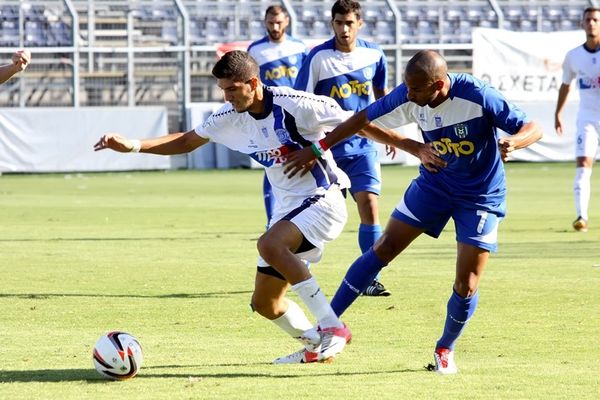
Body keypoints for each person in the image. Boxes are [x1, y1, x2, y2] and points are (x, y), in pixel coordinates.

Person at [284, 50, 543, 374]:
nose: (408, 95)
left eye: (416, 90)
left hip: (480, 196)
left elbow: (533, 127)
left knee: (467, 283)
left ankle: (445, 349)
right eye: (407, 87)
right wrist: (319, 148)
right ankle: (328, 330)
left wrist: (515, 142)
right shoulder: (411, 93)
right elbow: (362, 119)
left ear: (438, 85)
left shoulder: (479, 96)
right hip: (434, 186)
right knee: (384, 248)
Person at [94, 50, 361, 364]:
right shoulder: (228, 116)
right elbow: (186, 141)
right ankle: (316, 347)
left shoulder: (295, 103)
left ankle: (332, 326)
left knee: (269, 244)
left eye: (232, 89)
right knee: (265, 303)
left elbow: (359, 120)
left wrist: (411, 146)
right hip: (289, 209)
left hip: (324, 196)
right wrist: (134, 145)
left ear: (252, 83)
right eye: (223, 89)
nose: (226, 96)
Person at [294, 0, 392, 297]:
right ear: (332, 23)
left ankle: (368, 278)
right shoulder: (318, 57)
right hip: (327, 150)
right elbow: (300, 100)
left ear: (359, 23)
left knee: (370, 206)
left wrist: (387, 133)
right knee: (313, 211)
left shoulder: (374, 54)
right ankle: (299, 269)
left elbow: (381, 95)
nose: (344, 29)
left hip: (363, 146)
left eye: (349, 23)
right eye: (339, 23)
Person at [247, 4, 308, 228]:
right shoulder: (256, 50)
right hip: (271, 116)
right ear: (265, 22)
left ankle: (301, 213)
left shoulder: (299, 48)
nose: (275, 27)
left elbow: (306, 82)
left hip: (297, 114)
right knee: (273, 162)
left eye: (279, 22)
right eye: (271, 23)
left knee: (301, 160)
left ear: (287, 22)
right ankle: (272, 220)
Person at [555, 7, 600, 233]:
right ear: (582, 24)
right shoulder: (574, 56)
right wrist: (558, 113)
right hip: (588, 118)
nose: (592, 23)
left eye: (595, 19)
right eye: (588, 20)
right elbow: (566, 84)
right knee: (583, 165)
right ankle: (581, 216)